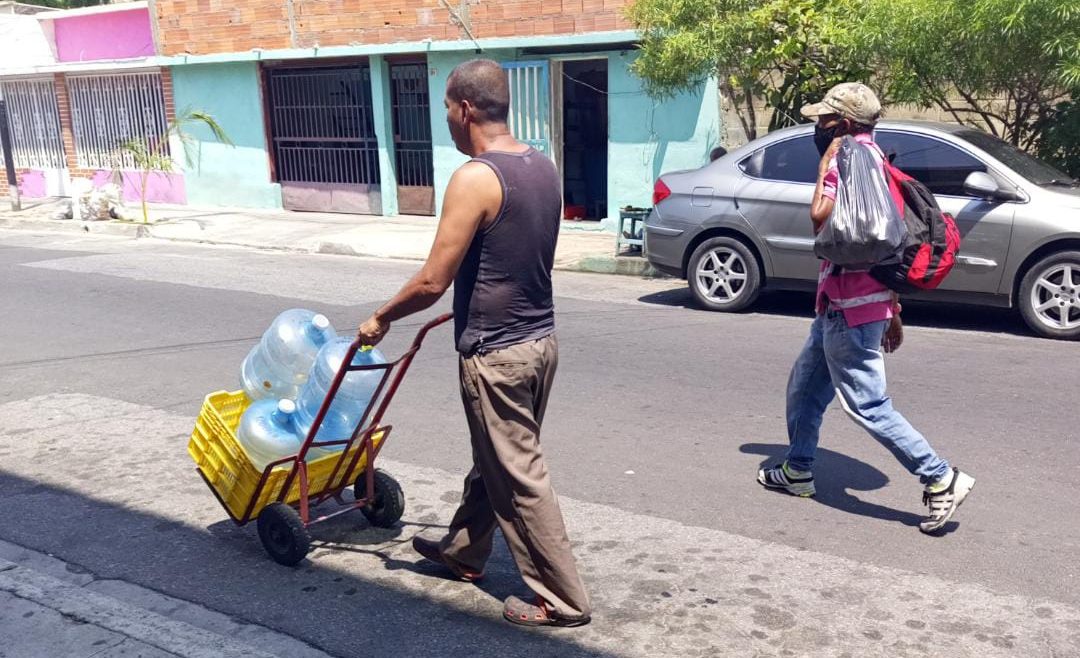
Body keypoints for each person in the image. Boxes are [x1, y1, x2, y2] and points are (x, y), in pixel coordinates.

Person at [357, 59, 591, 626]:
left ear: (464, 110)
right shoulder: (541, 165)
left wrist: (381, 318)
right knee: (497, 456)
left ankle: (563, 600)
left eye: (445, 109)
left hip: (498, 354)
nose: (446, 120)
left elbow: (433, 280)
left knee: (518, 473)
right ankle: (465, 550)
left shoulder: (475, 177)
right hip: (539, 341)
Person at [756, 83, 975, 534]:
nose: (817, 126)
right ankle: (798, 469)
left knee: (868, 405)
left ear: (843, 123)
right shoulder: (878, 160)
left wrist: (824, 161)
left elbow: (821, 215)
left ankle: (940, 477)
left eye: (823, 119)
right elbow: (887, 242)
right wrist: (892, 308)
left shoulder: (846, 157)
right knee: (805, 389)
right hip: (849, 302)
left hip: (850, 308)